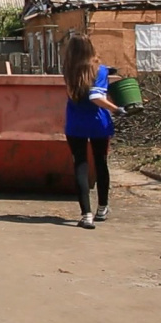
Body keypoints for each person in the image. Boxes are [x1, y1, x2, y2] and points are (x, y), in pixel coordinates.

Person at [61, 35, 126, 229]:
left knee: (80, 166)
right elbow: (96, 96)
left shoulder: (69, 71)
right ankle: (102, 208)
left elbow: (82, 88)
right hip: (98, 123)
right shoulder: (100, 69)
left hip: (75, 124)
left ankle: (86, 215)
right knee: (100, 164)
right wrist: (116, 109)